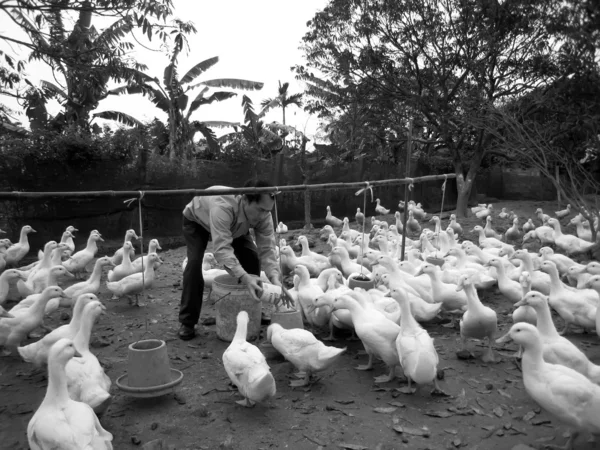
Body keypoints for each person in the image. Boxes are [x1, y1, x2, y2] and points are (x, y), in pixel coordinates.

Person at [178, 179, 290, 340]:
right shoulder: (222, 205)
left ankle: (251, 309)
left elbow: (267, 249)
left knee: (251, 257)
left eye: (267, 211)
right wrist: (245, 277)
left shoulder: (263, 215)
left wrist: (275, 279)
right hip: (197, 220)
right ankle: (188, 322)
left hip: (236, 226)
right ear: (245, 199)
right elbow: (222, 249)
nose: (263, 215)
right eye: (260, 210)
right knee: (194, 264)